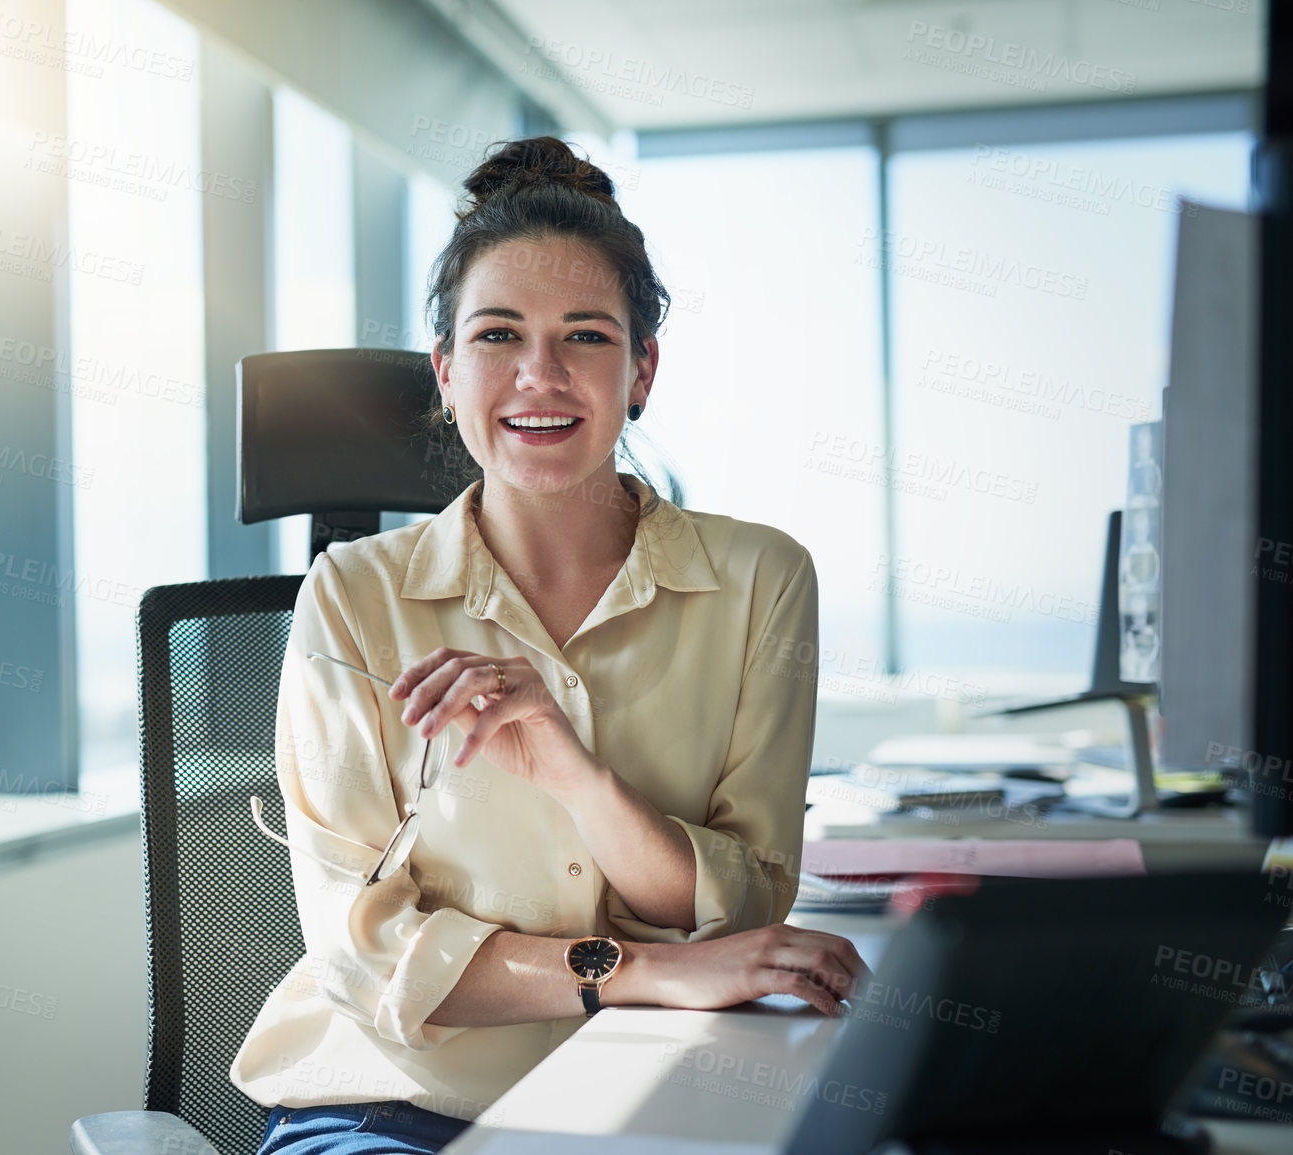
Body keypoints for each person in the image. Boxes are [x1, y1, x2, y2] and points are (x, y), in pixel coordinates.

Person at [231, 137, 865, 1155]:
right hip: (396, 1101)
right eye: (496, 335)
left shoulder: (761, 581)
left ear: (641, 369)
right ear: (445, 373)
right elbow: (362, 953)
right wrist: (638, 971)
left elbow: (743, 901)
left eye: (585, 335)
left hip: (661, 1090)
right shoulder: (350, 596)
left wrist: (578, 779)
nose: (540, 375)